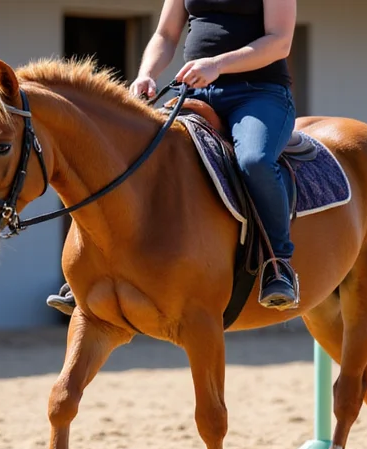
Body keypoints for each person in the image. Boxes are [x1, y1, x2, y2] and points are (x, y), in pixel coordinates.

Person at [47, 0, 300, 315]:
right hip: (195, 92)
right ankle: (94, 268)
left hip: (259, 94)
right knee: (134, 154)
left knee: (254, 160)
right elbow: (165, 35)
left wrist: (217, 64)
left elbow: (280, 41)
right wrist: (146, 74)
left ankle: (278, 264)